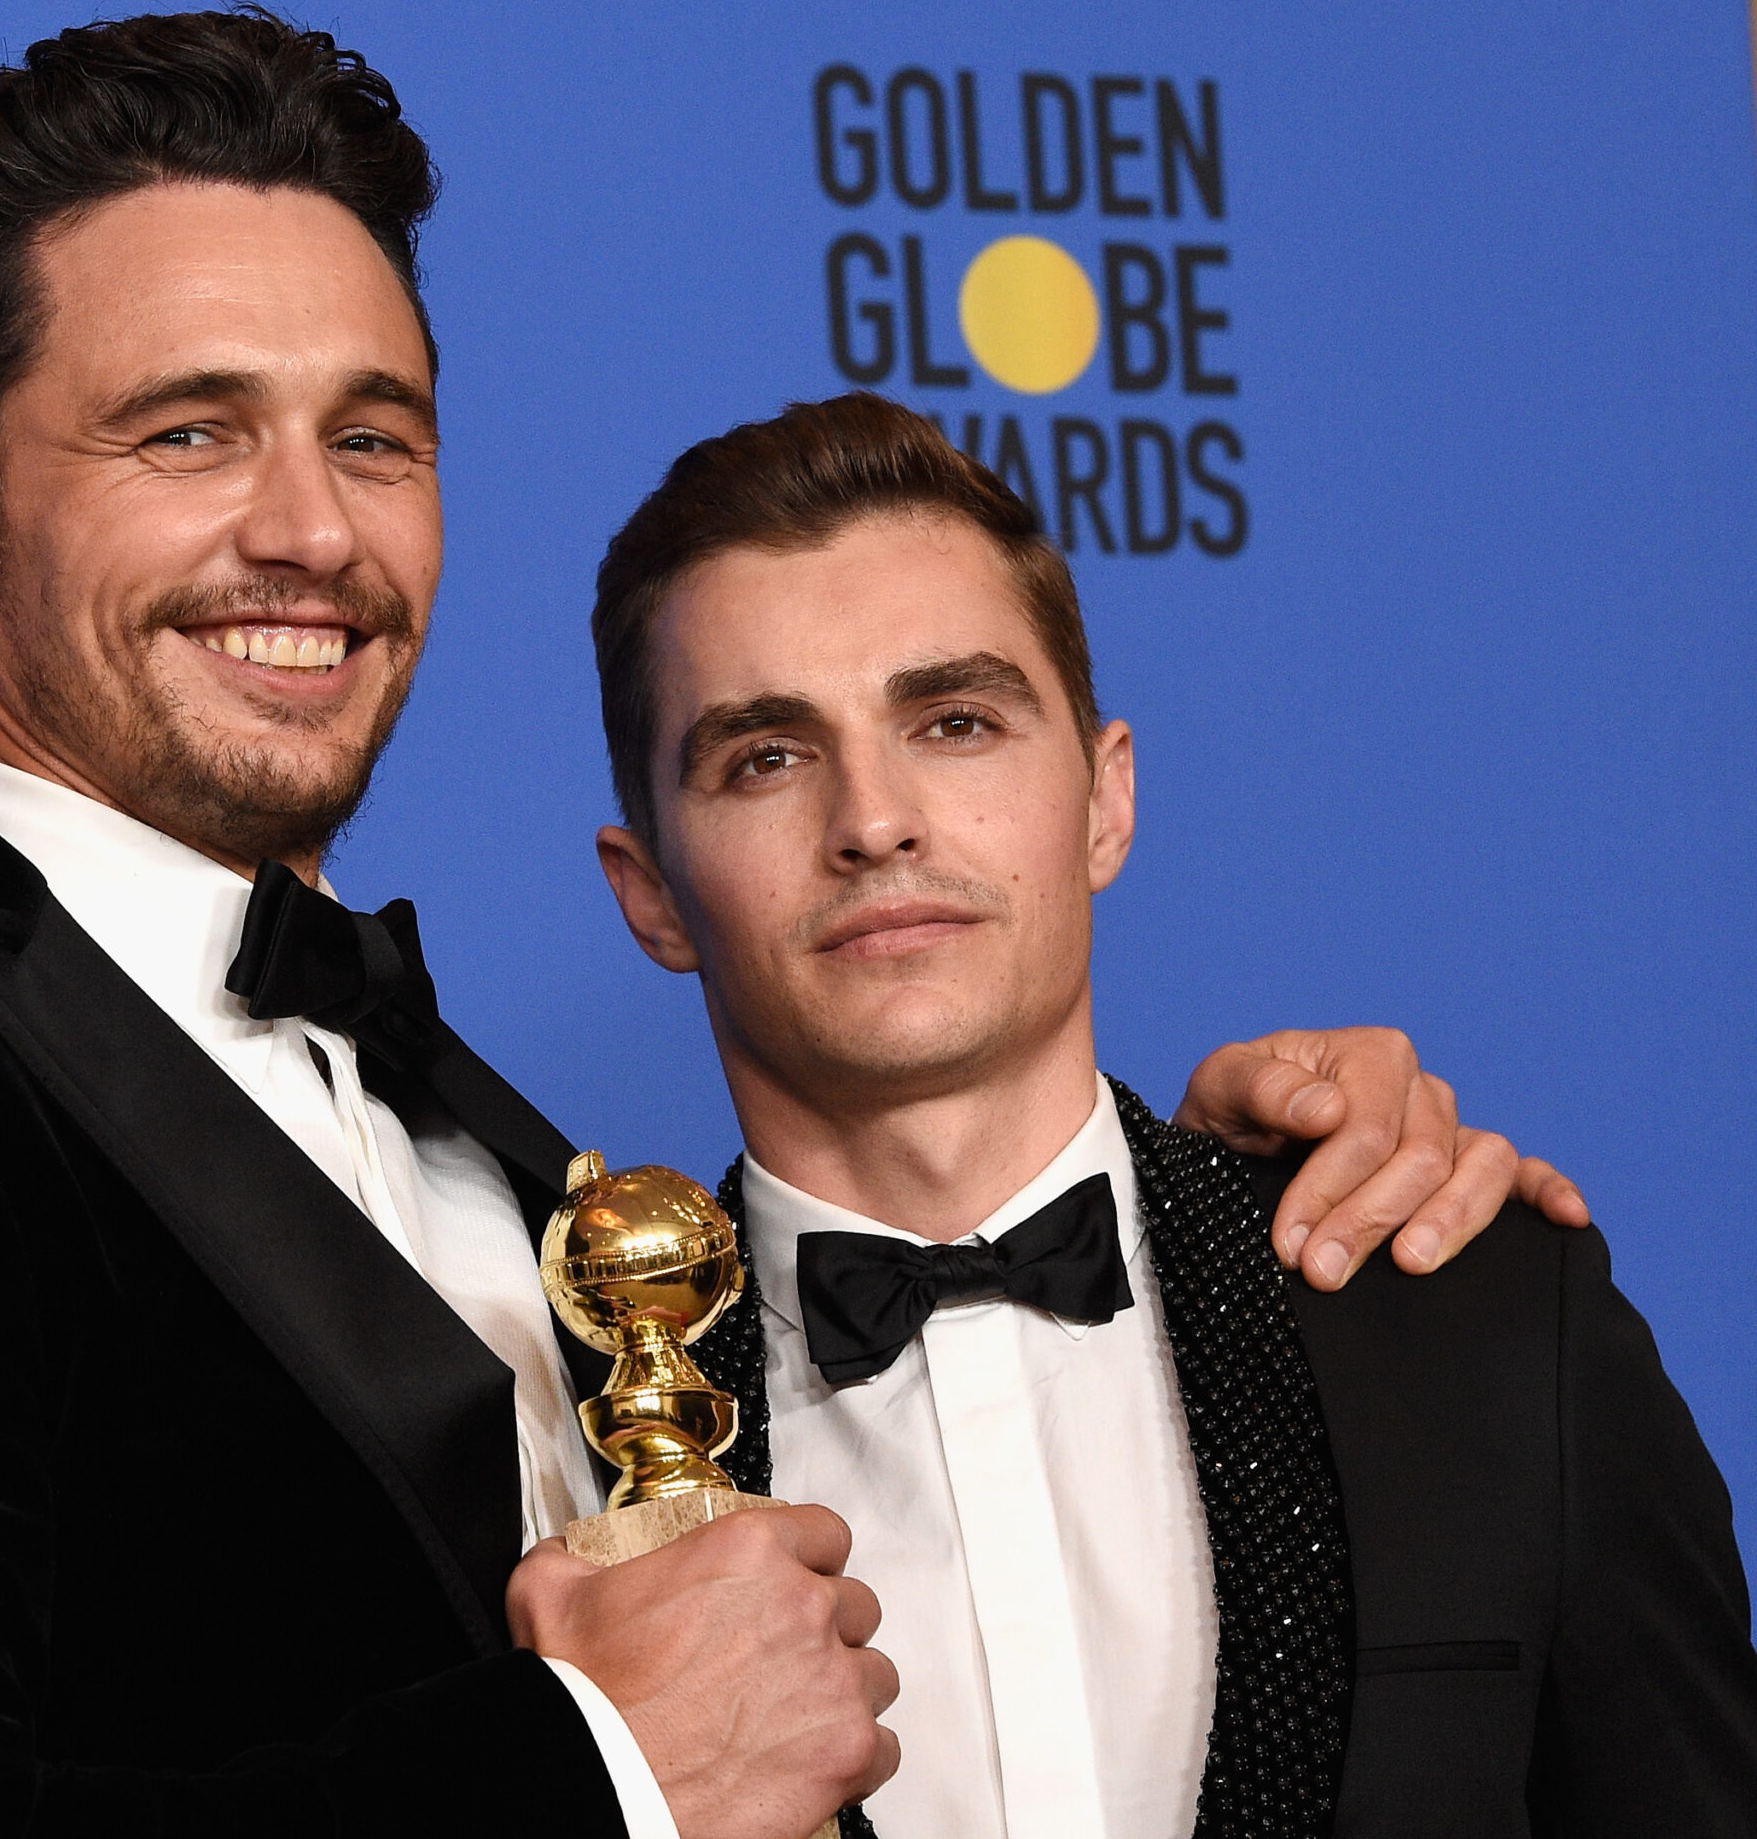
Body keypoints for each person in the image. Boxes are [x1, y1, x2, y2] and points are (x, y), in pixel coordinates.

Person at [0, 12, 1582, 1839]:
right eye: (187, 430)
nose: (308, 528)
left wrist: (1231, 1196)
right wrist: (592, 1769)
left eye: (368, 436)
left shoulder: (489, 1136)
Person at [559, 389, 1757, 1837]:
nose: (874, 819)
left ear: (1106, 801)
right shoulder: (547, 1425)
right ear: (648, 893)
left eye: (954, 719)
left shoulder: (1490, 1320)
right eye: (766, 755)